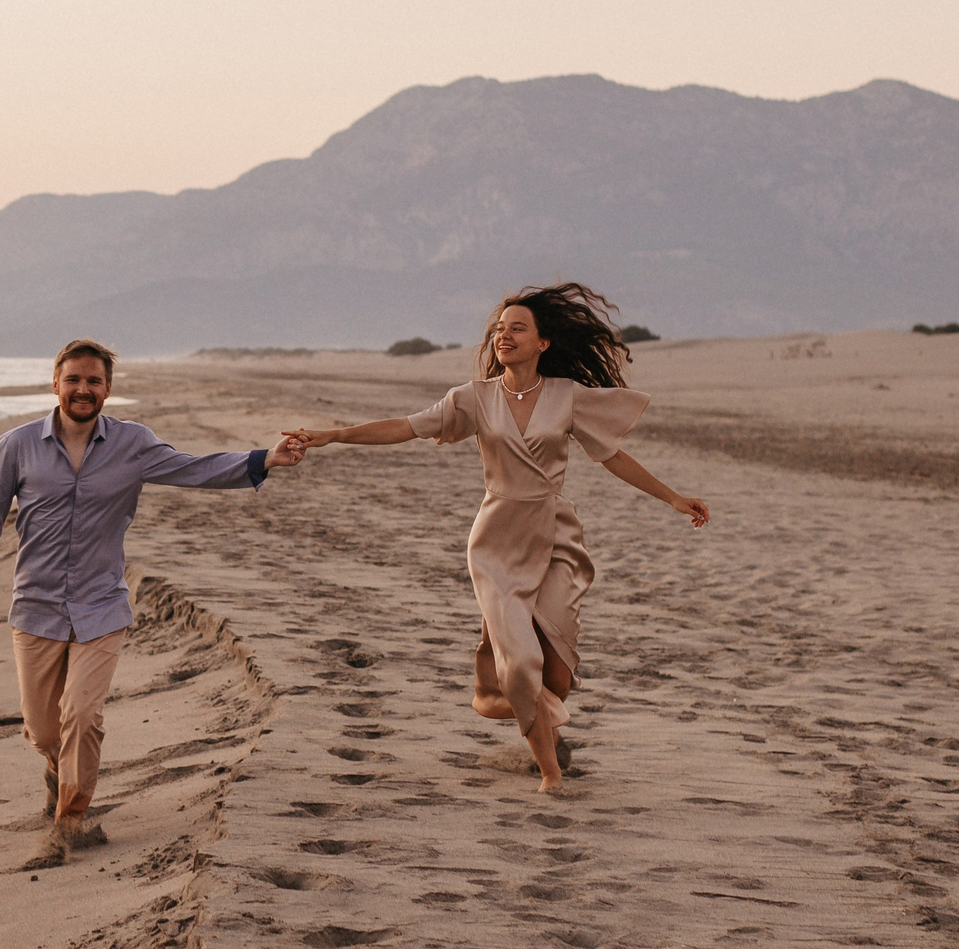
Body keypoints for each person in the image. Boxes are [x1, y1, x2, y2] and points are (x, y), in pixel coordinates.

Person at [284, 284, 708, 795]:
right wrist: (335, 435)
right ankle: (551, 774)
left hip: (554, 536)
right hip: (497, 542)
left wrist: (673, 498)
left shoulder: (566, 396)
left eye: (517, 328)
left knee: (557, 674)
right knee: (524, 665)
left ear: (542, 343)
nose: (503, 335)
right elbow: (406, 427)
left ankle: (493, 696)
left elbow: (612, 456)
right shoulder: (474, 398)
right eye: (499, 328)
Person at [0, 338, 306, 863]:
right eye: (73, 379)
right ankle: (60, 774)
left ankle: (70, 822)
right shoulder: (18, 445)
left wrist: (264, 460)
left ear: (108, 389)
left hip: (102, 605)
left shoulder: (132, 444)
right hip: (36, 607)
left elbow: (193, 468)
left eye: (94, 381)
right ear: (56, 384)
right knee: (44, 728)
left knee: (80, 712)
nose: (83, 389)